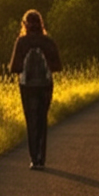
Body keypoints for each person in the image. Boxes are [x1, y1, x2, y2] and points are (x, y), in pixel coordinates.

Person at [9, 9, 62, 170]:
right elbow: (57, 66)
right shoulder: (48, 42)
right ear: (41, 24)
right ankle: (42, 158)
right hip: (45, 85)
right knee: (42, 120)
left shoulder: (22, 42)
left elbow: (14, 68)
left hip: (27, 86)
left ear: (25, 25)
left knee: (31, 121)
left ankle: (34, 159)